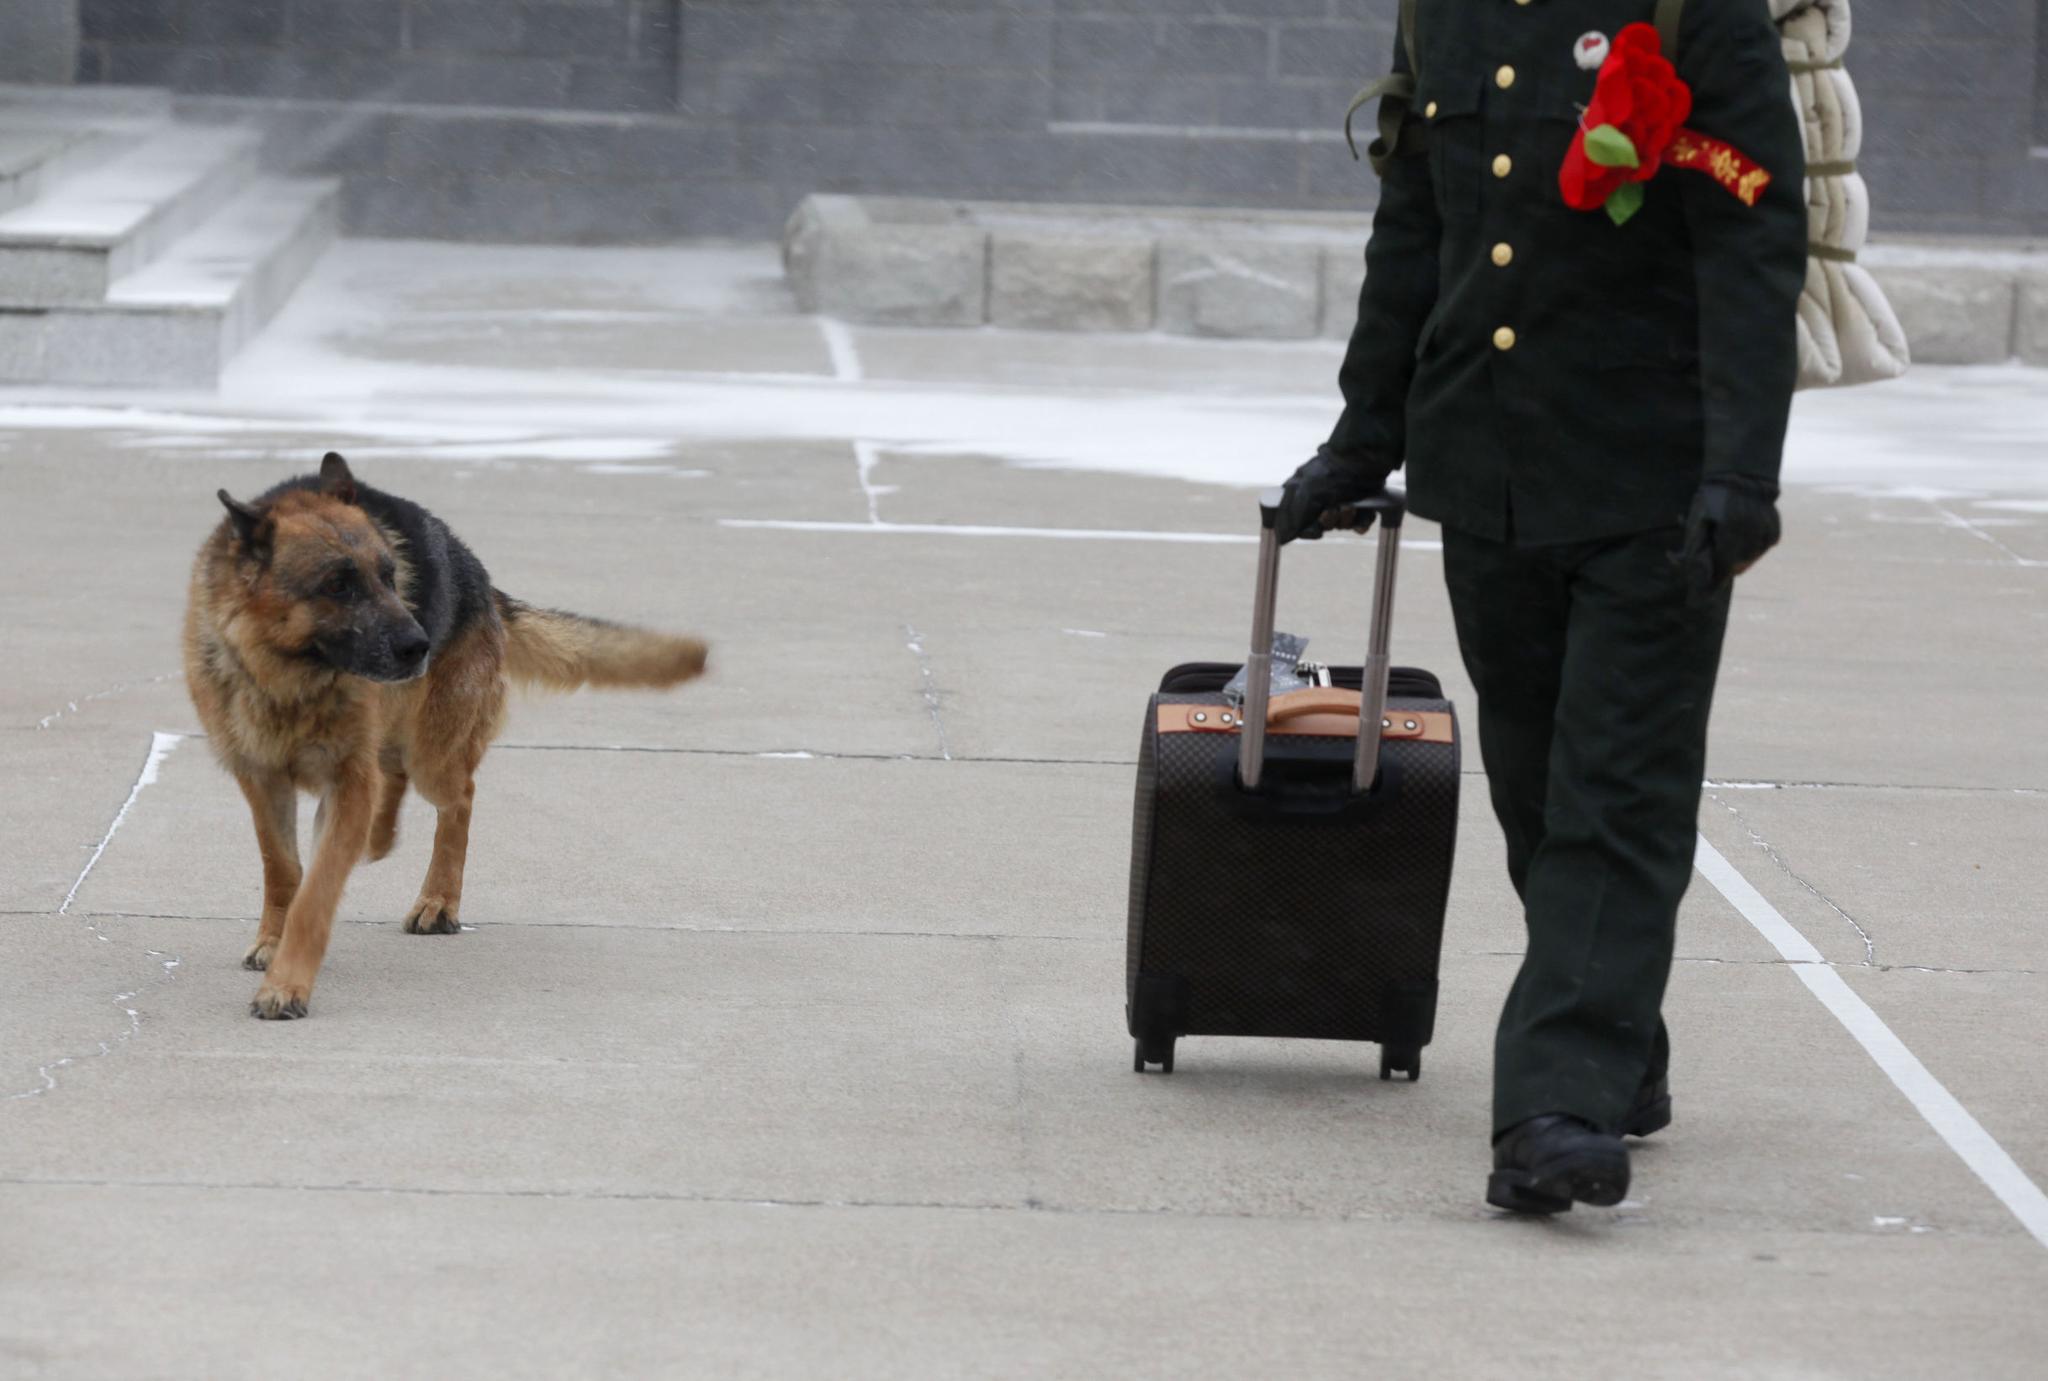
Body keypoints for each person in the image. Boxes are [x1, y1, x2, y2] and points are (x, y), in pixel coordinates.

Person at [1278, 0, 1806, 1213]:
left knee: (1613, 797)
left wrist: (1741, 468)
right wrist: (1360, 441)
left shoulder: (1690, 13)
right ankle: (1620, 1050)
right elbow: (1414, 230)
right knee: (1531, 789)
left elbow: (1748, 235)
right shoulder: (1444, 14)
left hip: (1648, 479)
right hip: (1488, 469)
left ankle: (1554, 1108)